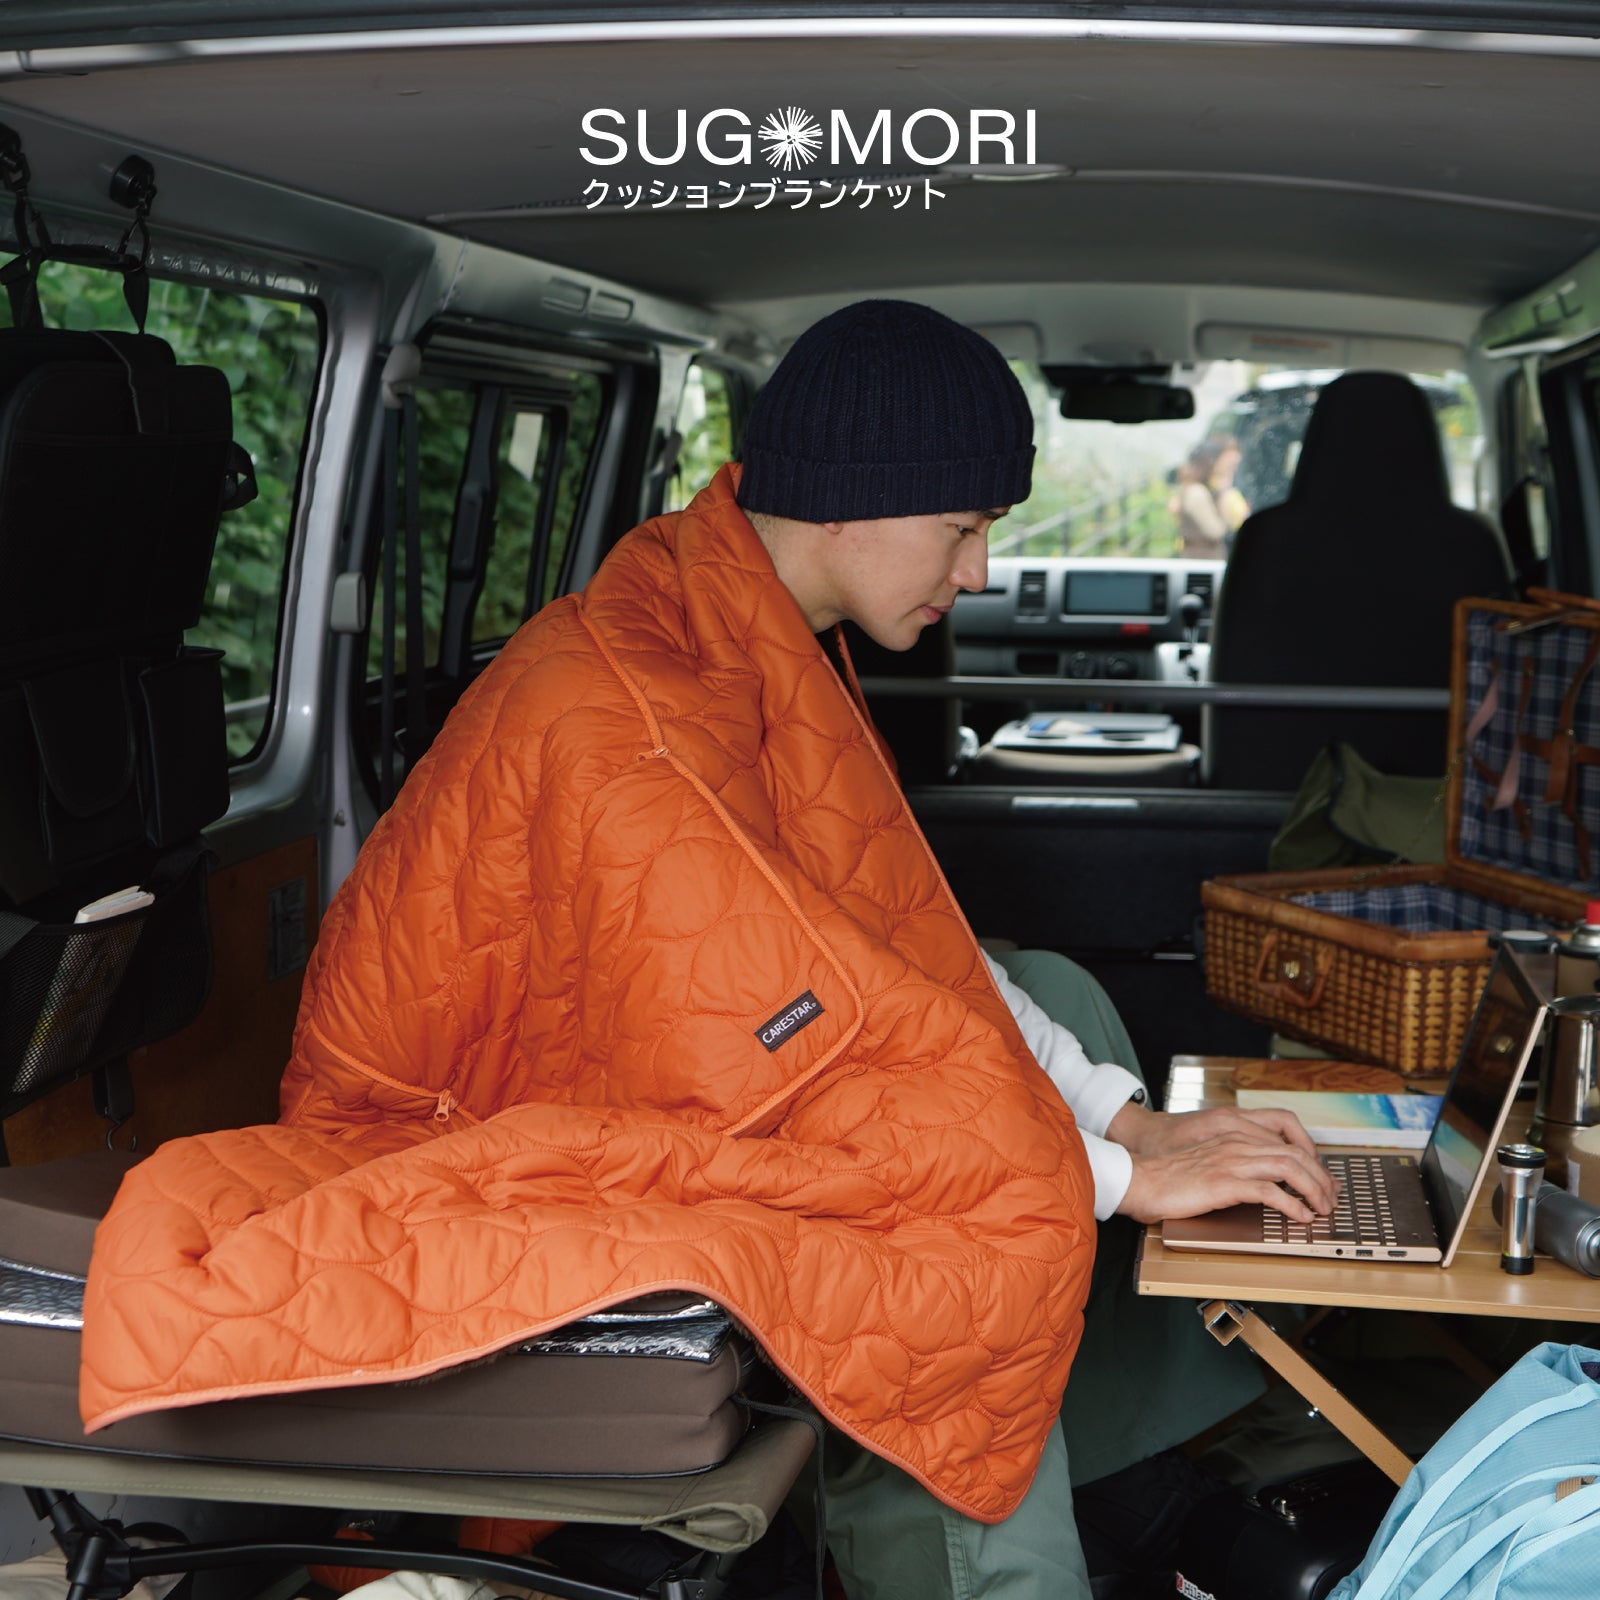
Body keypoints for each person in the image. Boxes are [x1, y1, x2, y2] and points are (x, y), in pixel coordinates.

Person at [80, 301, 1336, 1600]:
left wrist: (1129, 1125)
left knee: (1048, 1008)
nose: (977, 573)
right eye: (962, 527)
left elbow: (902, 947)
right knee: (943, 1246)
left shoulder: (759, 639)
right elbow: (795, 1067)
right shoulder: (641, 708)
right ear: (851, 504)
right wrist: (1112, 1181)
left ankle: (1105, 1468)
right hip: (479, 1119)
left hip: (667, 1071)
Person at [1173, 433, 1249, 560]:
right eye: (1229, 464)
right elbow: (1216, 531)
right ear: (1213, 460)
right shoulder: (1196, 493)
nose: (1231, 469)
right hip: (1201, 563)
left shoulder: (1212, 490)